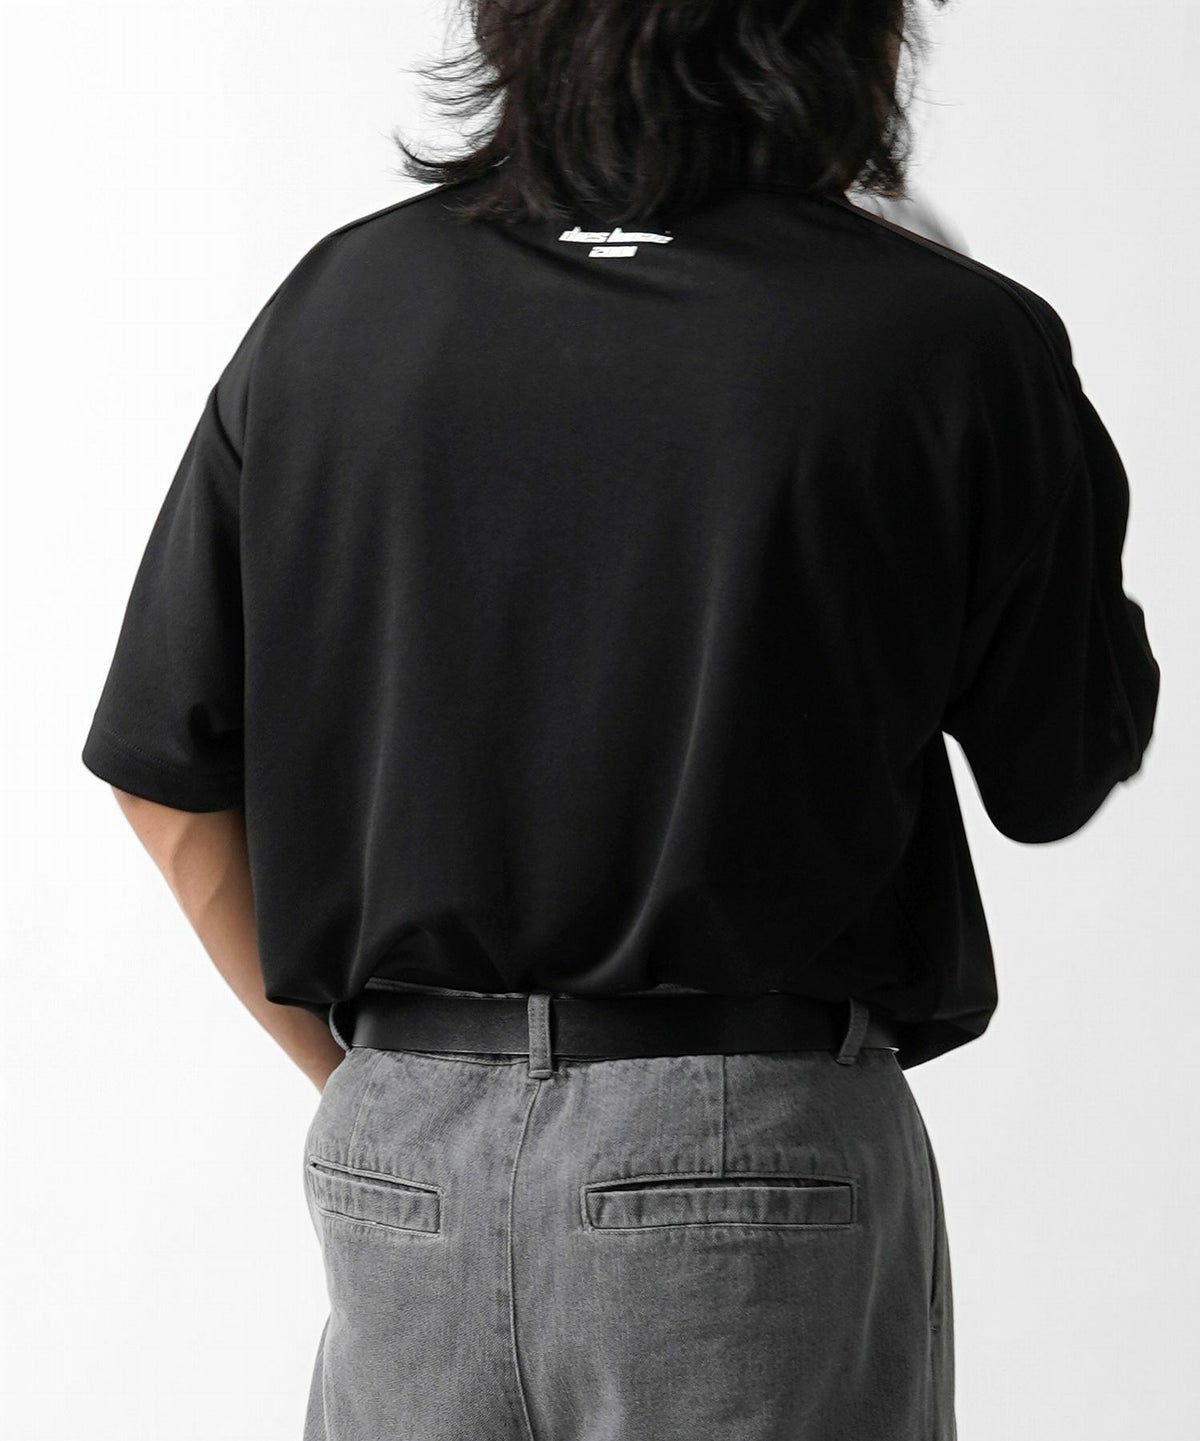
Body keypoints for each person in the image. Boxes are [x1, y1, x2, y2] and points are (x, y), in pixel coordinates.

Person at [80, 1, 1160, 1437]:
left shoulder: (337, 306)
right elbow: (1059, 762)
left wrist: (383, 1081)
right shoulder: (940, 333)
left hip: (401, 1148)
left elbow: (164, 774)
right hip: (750, 1158)